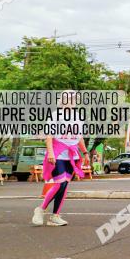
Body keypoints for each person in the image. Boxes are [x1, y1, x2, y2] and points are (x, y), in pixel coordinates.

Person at [32, 91, 87, 227]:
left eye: (73, 99)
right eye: (68, 98)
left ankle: (55, 216)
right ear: (62, 101)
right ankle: (40, 209)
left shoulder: (78, 117)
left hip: (71, 155)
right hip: (57, 153)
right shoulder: (56, 115)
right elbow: (49, 136)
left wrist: (85, 153)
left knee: (65, 186)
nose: (71, 101)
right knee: (59, 183)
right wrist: (50, 153)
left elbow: (79, 137)